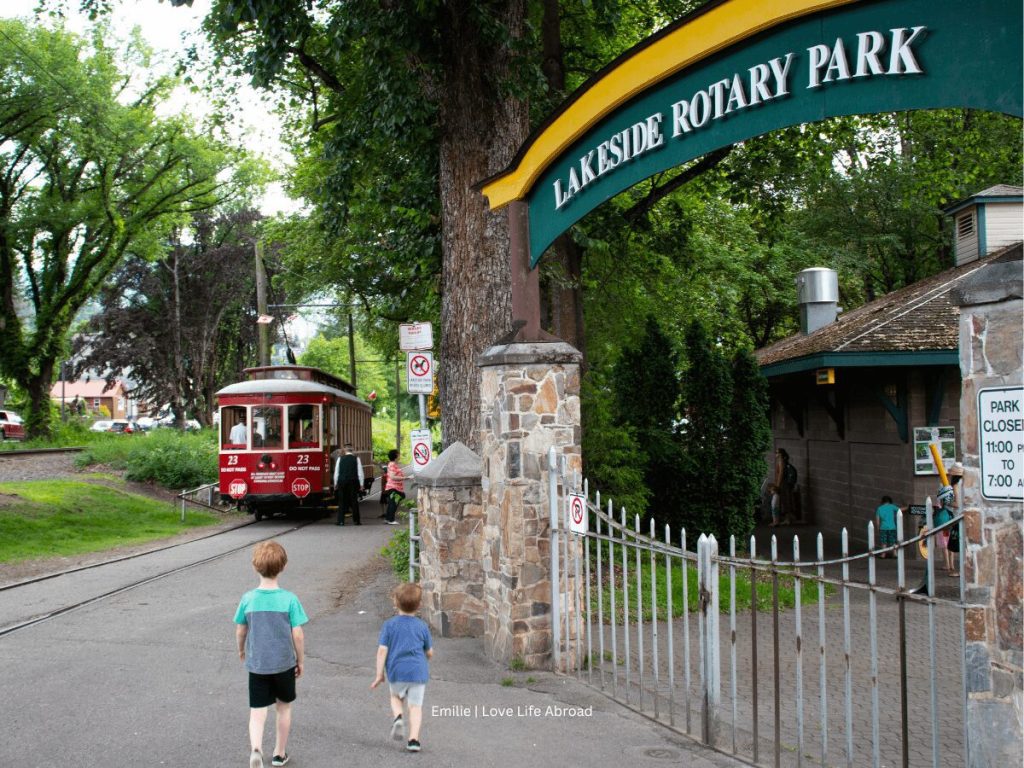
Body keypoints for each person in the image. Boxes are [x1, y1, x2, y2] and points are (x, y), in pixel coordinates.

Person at [234, 541, 308, 768]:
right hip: (284, 664)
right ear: (283, 566)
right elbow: (298, 634)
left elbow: (241, 629)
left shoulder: (248, 599)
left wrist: (241, 649)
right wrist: (300, 660)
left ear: (255, 567)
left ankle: (256, 748)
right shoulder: (289, 599)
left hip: (257, 664)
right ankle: (279, 753)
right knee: (283, 708)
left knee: (257, 711)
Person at [371, 582, 434, 753]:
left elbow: (382, 650)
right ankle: (414, 739)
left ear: (395, 602)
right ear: (419, 605)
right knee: (415, 707)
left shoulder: (389, 625)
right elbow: (429, 651)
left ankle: (398, 716)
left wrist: (379, 674)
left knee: (396, 698)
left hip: (396, 671)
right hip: (418, 672)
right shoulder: (422, 626)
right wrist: (426, 657)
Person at [332, 444, 364, 526]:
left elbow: (337, 472)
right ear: (352, 450)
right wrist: (361, 484)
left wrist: (335, 483)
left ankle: (341, 521)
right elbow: (360, 472)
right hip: (353, 481)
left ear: (345, 450)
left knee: (342, 501)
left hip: (342, 481)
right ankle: (356, 521)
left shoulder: (340, 459)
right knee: (354, 500)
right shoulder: (356, 459)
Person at [774, 448, 797, 523]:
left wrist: (777, 485)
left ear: (781, 454)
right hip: (784, 483)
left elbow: (781, 474)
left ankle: (788, 519)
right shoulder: (781, 461)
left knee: (785, 501)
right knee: (786, 500)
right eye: (776, 452)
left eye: (777, 453)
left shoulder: (781, 461)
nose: (776, 454)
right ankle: (787, 519)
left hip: (784, 484)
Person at [384, 449, 406, 526]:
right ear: (396, 455)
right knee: (393, 503)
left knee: (392, 503)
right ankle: (391, 519)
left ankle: (388, 518)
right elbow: (392, 477)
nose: (400, 456)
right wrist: (404, 478)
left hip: (394, 487)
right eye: (399, 454)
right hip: (393, 487)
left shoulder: (392, 464)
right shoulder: (392, 464)